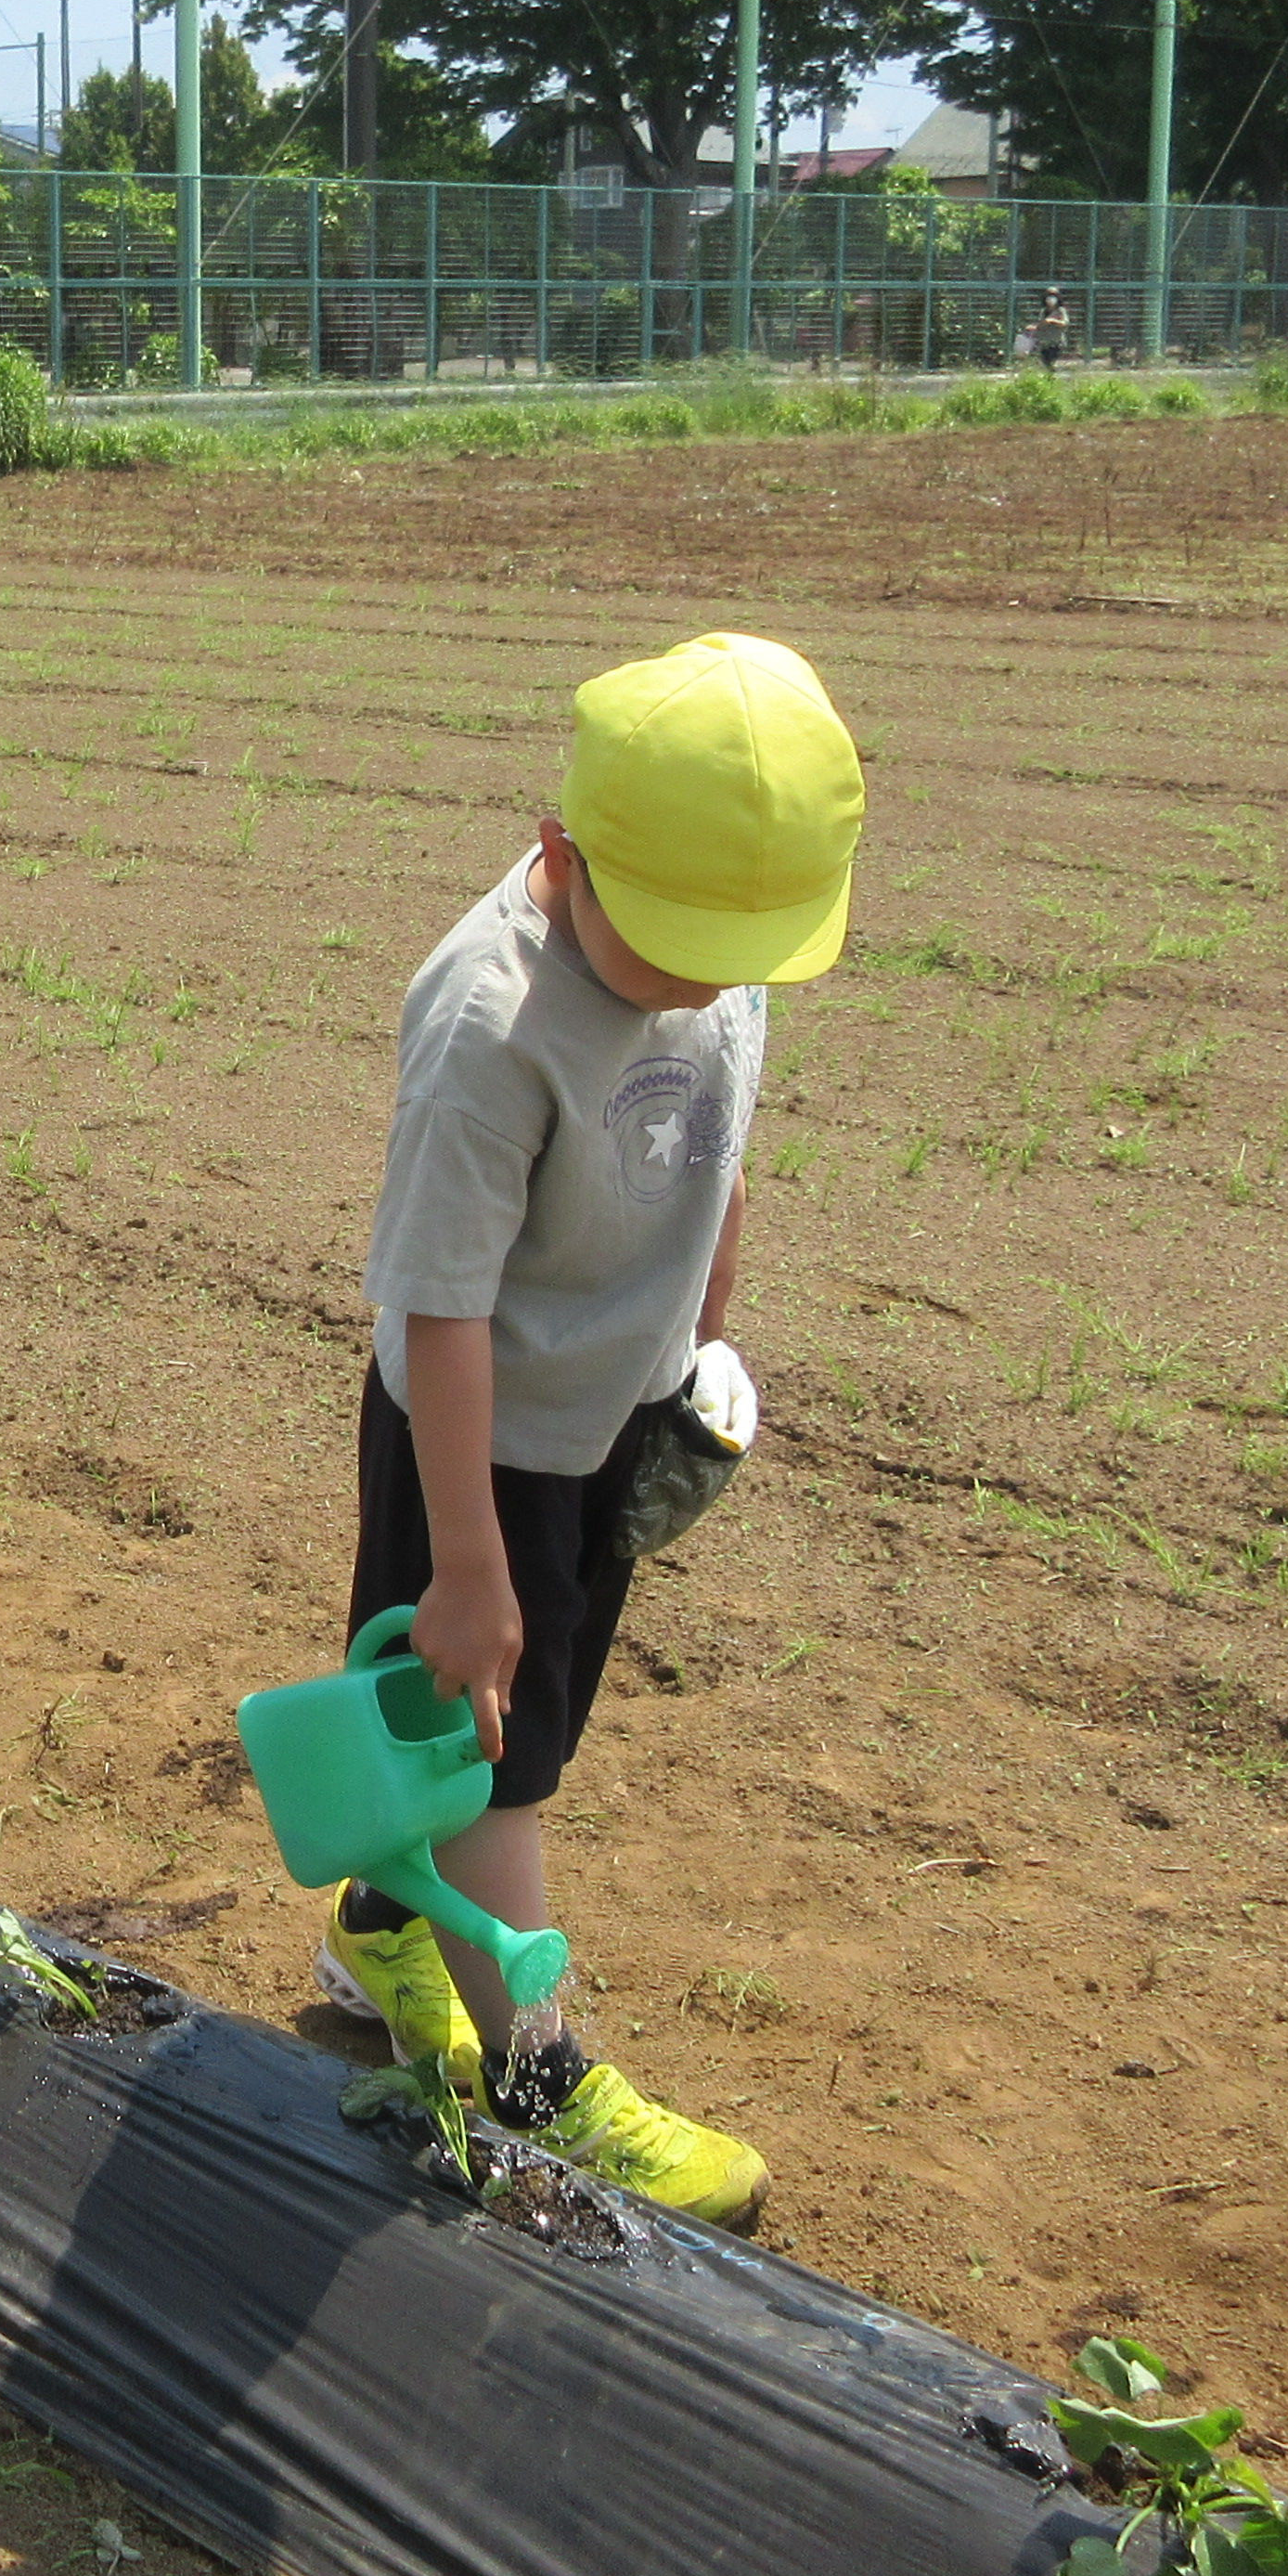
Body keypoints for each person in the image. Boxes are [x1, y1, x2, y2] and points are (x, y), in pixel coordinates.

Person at [311, 632, 862, 2235]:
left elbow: (717, 1155)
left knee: (497, 1720)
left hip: (603, 1412)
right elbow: (438, 1303)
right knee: (499, 1745)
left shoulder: (704, 924)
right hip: (476, 1438)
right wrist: (468, 1556)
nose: (703, 983)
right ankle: (536, 2070)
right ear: (560, 857)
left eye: (733, 951)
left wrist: (694, 1351)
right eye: (675, 950)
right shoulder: (490, 1022)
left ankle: (380, 1924)